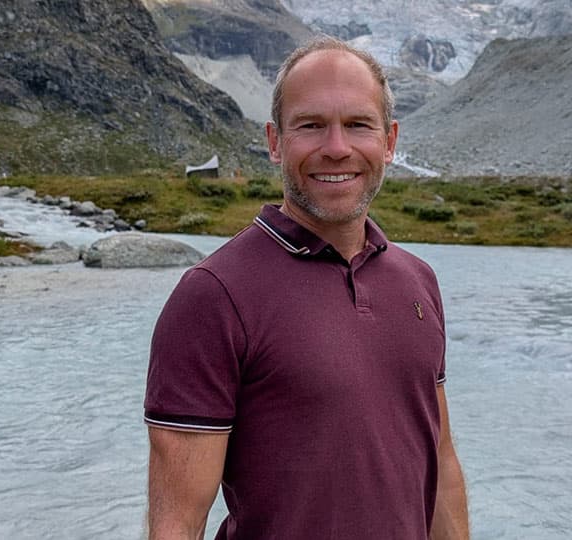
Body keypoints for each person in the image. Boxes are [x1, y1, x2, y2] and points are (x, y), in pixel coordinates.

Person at [144, 36, 469, 540]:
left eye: (358, 124)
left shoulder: (418, 280)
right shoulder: (212, 295)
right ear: (276, 142)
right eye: (311, 125)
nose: (336, 148)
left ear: (389, 140)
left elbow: (440, 464)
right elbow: (176, 523)